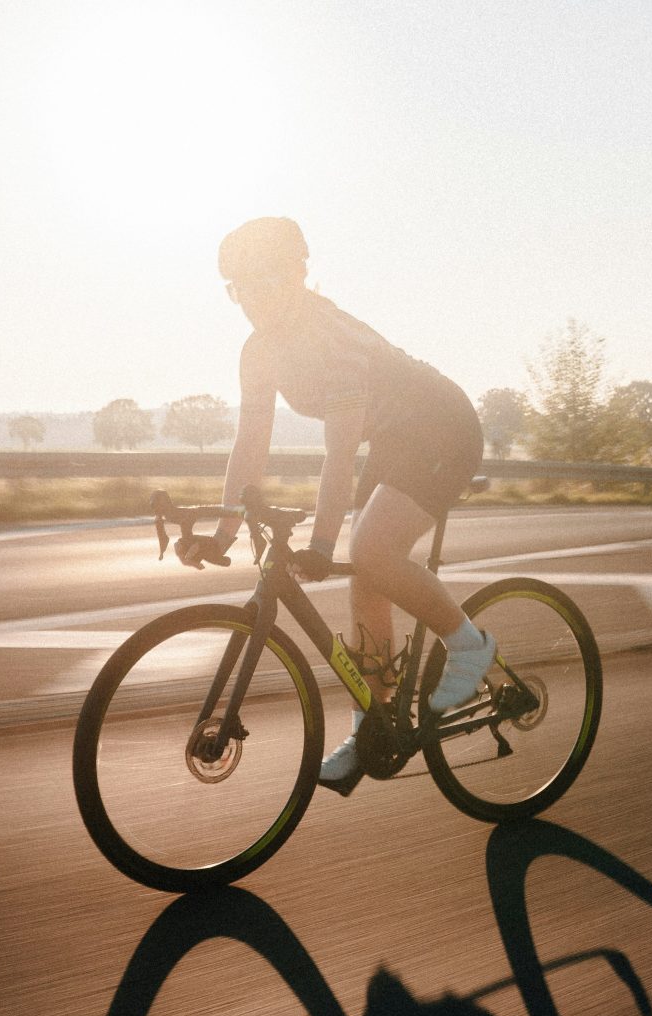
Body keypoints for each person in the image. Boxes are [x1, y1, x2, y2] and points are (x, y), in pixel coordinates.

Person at [174, 216, 497, 795]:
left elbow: (340, 451)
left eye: (264, 281)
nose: (251, 300)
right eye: (238, 288)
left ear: (300, 273)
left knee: (369, 549)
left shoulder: (333, 339)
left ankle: (470, 647)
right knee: (365, 576)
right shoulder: (259, 352)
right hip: (396, 438)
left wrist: (322, 542)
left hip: (442, 427)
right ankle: (373, 723)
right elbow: (251, 444)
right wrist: (222, 534)